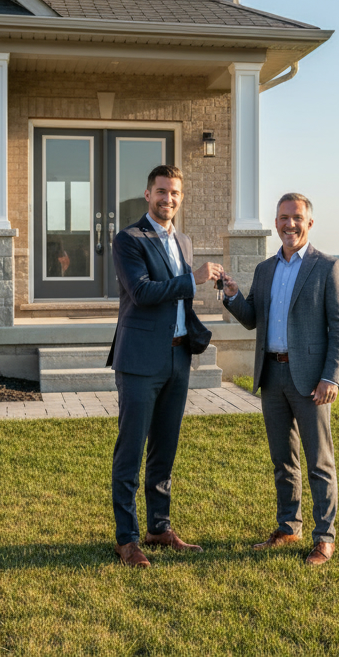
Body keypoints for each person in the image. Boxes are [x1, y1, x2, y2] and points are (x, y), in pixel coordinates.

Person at [220, 193, 339, 566]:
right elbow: (251, 318)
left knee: (319, 462)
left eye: (296, 218)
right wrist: (232, 296)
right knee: (283, 460)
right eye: (282, 217)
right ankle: (288, 526)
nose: (288, 224)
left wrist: (331, 377)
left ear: (309, 223)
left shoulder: (327, 267)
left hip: (310, 380)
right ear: (275, 223)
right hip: (271, 376)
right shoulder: (265, 270)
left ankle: (324, 537)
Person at [106, 164, 222, 568]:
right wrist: (192, 279)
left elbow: (179, 301)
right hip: (139, 360)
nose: (167, 199)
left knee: (165, 449)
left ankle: (159, 526)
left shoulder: (184, 241)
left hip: (178, 357)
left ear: (181, 197)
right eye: (160, 192)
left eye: (174, 193)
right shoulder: (128, 239)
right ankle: (127, 539)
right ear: (147, 194)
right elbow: (141, 292)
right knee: (131, 450)